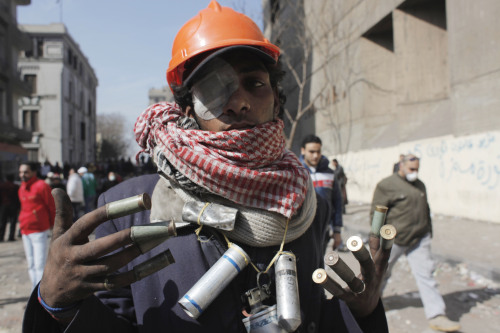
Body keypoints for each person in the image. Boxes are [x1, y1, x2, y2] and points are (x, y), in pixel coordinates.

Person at [24, 2, 391, 332]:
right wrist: (57, 304)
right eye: (217, 88)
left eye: (255, 83)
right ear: (187, 110)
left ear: (277, 102)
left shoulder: (307, 205)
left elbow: (315, 316)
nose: (239, 102)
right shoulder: (130, 210)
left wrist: (362, 314)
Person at [370, 154, 461, 332]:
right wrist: (377, 239)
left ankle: (436, 315)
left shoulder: (420, 185)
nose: (415, 173)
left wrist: (429, 231)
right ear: (401, 166)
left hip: (419, 238)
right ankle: (372, 305)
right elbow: (376, 214)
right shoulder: (387, 185)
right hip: (394, 239)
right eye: (412, 169)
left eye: (417, 169)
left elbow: (425, 209)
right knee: (380, 273)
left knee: (426, 275)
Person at [300, 135, 345, 251]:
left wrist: (337, 231)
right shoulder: (296, 172)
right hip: (300, 232)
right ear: (303, 150)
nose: (315, 155)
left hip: (323, 232)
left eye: (318, 151)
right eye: (311, 151)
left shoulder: (330, 173)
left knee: (319, 266)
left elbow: (337, 202)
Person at [18, 162, 55, 290]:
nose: (22, 175)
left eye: (25, 172)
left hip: (39, 231)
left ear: (34, 172)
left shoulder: (42, 186)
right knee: (31, 264)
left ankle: (40, 296)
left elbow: (51, 207)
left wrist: (53, 225)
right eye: (21, 172)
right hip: (25, 230)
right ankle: (34, 292)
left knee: (40, 265)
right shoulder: (22, 188)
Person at [0, 174, 20, 241]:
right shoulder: (16, 186)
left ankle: (1, 236)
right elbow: (18, 197)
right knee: (13, 222)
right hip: (13, 206)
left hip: (4, 206)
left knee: (2, 222)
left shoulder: (2, 186)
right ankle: (11, 237)